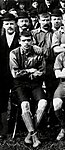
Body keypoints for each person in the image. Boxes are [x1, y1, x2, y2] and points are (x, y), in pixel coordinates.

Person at [9, 31, 47, 148]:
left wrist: (31, 73)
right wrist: (30, 71)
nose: (26, 43)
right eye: (24, 40)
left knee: (43, 103)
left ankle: (29, 136)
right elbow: (15, 74)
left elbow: (42, 71)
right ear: (20, 41)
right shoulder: (14, 53)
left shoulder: (38, 51)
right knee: (25, 105)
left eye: (28, 40)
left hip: (35, 83)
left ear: (32, 41)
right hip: (20, 84)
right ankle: (34, 137)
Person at [0, 12, 20, 141]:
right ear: (3, 25)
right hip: (2, 76)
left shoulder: (21, 39)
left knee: (17, 100)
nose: (9, 26)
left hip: (17, 76)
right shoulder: (0, 39)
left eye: (11, 24)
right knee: (1, 102)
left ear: (15, 24)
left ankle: (16, 126)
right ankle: (3, 130)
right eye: (7, 24)